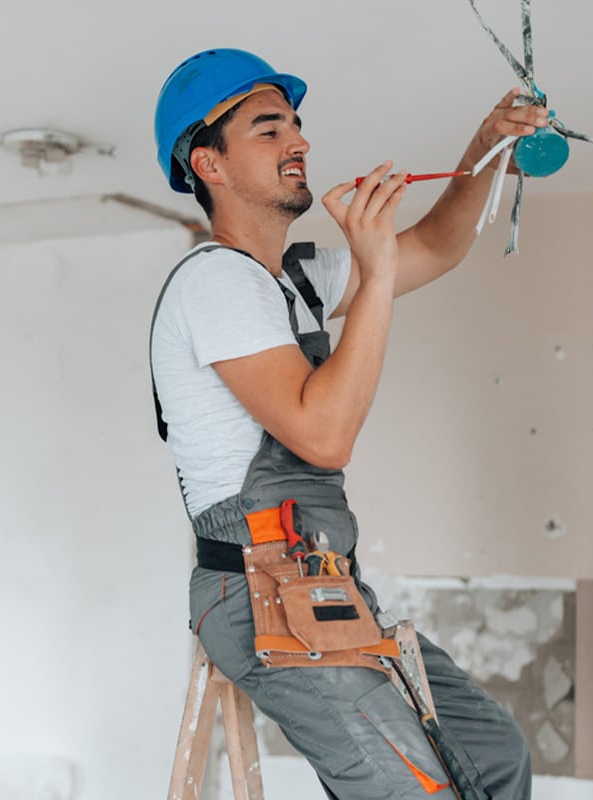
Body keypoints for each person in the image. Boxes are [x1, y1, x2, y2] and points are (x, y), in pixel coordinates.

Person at [151, 48, 547, 800]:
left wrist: (485, 150)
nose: (299, 141)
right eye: (270, 130)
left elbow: (433, 246)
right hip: (255, 589)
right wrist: (374, 270)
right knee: (411, 792)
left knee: (493, 753)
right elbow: (323, 435)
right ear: (211, 164)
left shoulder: (291, 280)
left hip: (326, 582)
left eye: (297, 125)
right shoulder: (216, 284)